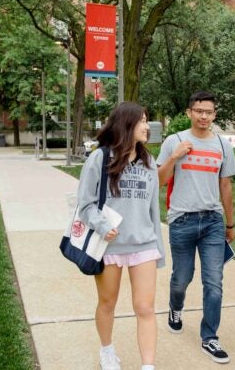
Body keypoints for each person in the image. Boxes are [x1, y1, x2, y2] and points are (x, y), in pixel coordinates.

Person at [77, 102, 165, 370]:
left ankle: (148, 365)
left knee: (145, 308)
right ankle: (107, 350)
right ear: (126, 123)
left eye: (147, 120)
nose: (146, 125)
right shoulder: (100, 158)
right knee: (107, 302)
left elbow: (153, 210)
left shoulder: (148, 162)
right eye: (142, 120)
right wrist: (103, 226)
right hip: (109, 246)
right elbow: (85, 204)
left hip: (144, 245)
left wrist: (159, 250)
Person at [156, 91, 235, 364]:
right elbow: (159, 180)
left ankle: (210, 337)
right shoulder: (174, 141)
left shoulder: (223, 146)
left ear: (215, 114)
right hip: (182, 220)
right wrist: (174, 157)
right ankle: (175, 307)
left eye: (209, 112)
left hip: (213, 221)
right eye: (199, 111)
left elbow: (225, 185)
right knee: (182, 278)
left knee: (214, 282)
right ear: (189, 112)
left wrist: (230, 223)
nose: (204, 116)